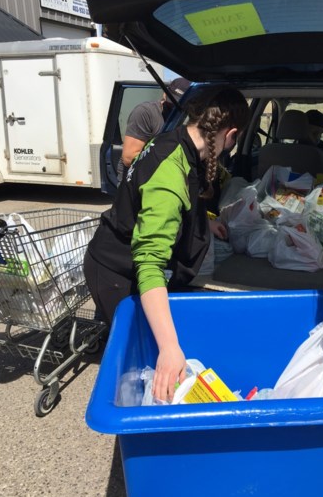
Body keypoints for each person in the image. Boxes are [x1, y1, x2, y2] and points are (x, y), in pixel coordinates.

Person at [83, 86, 250, 402]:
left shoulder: (176, 142)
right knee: (147, 362)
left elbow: (183, 201)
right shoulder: (170, 174)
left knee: (160, 355)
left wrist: (205, 222)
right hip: (118, 272)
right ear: (231, 135)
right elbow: (148, 263)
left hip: (122, 263)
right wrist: (170, 347)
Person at [117, 77, 192, 183]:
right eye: (171, 103)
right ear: (164, 94)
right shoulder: (145, 113)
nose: (174, 108)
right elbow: (129, 157)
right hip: (135, 177)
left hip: (167, 176)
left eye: (179, 105)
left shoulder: (190, 119)